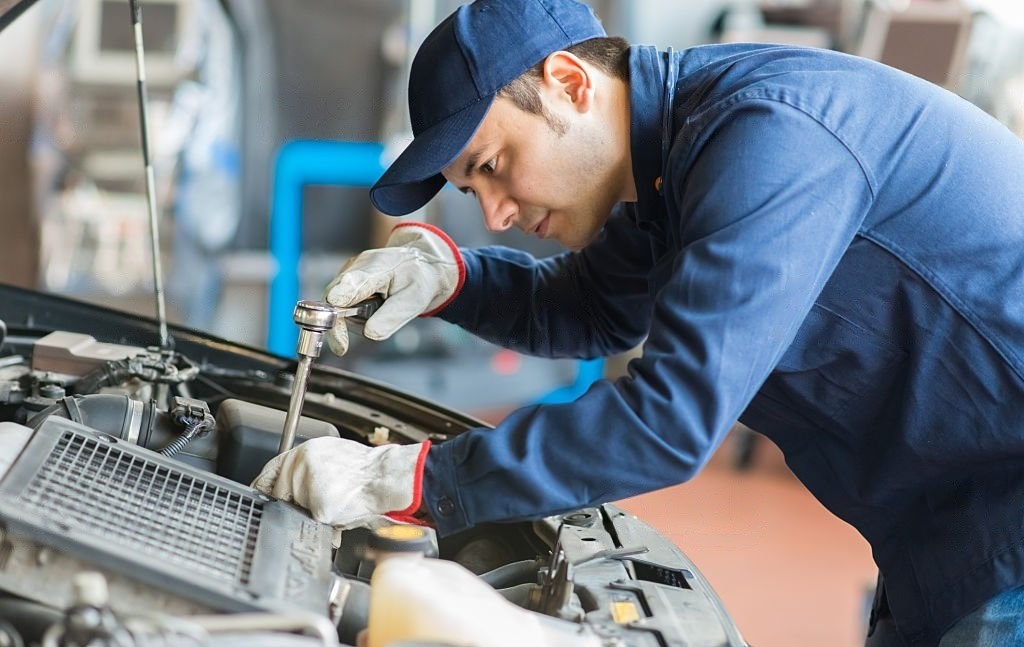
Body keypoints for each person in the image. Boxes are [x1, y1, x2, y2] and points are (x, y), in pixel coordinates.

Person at [251, 0, 1024, 644]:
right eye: (470, 192)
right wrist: (452, 275)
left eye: (492, 166)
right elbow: (590, 308)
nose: (498, 213)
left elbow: (672, 418)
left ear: (566, 83)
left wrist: (415, 479)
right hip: (939, 533)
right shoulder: (666, 168)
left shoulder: (767, 137)